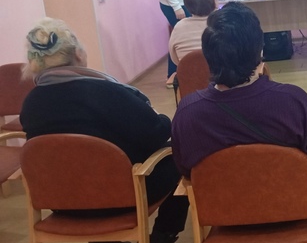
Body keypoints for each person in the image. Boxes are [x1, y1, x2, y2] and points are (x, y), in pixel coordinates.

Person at [20, 18, 189, 243]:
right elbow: (156, 133)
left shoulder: (31, 103)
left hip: (60, 201)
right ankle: (163, 235)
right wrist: (162, 118)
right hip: (121, 197)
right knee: (183, 148)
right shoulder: (106, 92)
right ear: (78, 54)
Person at [171, 1, 307, 179]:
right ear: (260, 50)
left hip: (219, 198)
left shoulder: (187, 113)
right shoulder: (293, 103)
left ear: (207, 55)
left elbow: (186, 172)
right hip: (289, 196)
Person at [168, 0, 217, 65]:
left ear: (186, 3)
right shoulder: (223, 23)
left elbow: (175, 59)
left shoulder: (179, 27)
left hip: (188, 72)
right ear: (213, 0)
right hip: (220, 73)